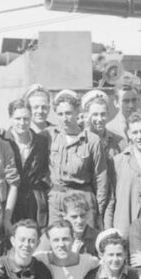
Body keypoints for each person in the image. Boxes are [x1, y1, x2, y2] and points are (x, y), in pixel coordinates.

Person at [47, 90, 106, 227]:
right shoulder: (49, 136)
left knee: (86, 240)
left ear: (77, 112)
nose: (64, 118)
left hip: (82, 197)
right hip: (57, 199)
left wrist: (99, 209)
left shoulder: (92, 140)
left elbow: (100, 176)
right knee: (57, 239)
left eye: (68, 113)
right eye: (60, 114)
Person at [2, 99, 50, 227]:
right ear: (10, 118)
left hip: (35, 202)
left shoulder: (41, 142)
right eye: (18, 119)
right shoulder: (2, 142)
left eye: (26, 119)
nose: (22, 123)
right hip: (10, 201)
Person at [81, 90, 123, 225]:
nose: (99, 119)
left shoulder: (118, 141)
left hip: (113, 199)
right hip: (88, 198)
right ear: (87, 115)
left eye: (103, 114)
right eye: (95, 114)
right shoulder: (80, 140)